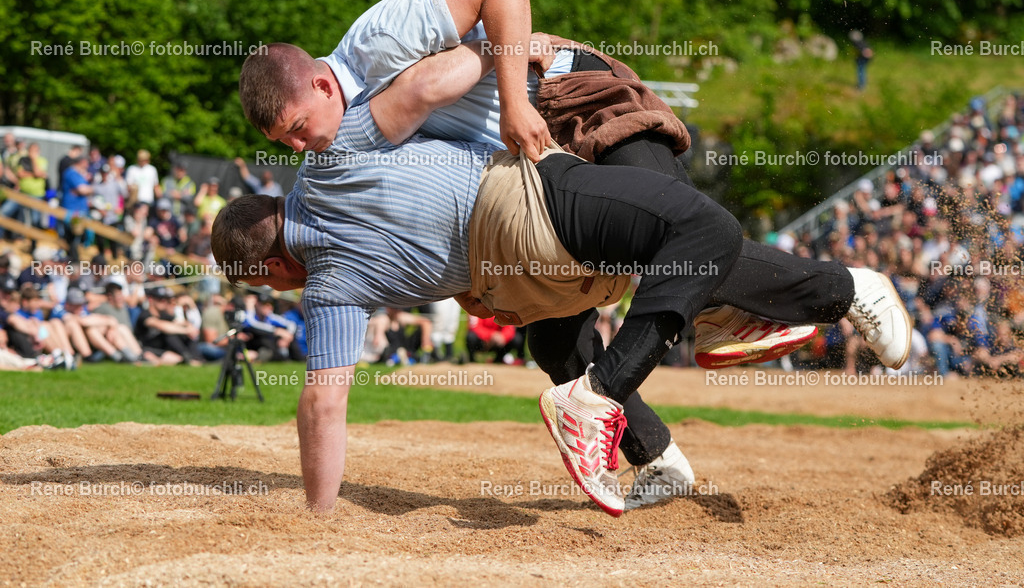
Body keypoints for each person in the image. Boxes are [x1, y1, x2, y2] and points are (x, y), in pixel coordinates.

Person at [211, 115, 911, 516]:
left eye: (269, 287)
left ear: (268, 266)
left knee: (701, 236)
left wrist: (316, 515)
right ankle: (657, 451)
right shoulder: (332, 160)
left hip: (575, 136)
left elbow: (323, 401)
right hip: (521, 205)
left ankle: (841, 290)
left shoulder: (330, 249)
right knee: (556, 333)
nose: (280, 295)